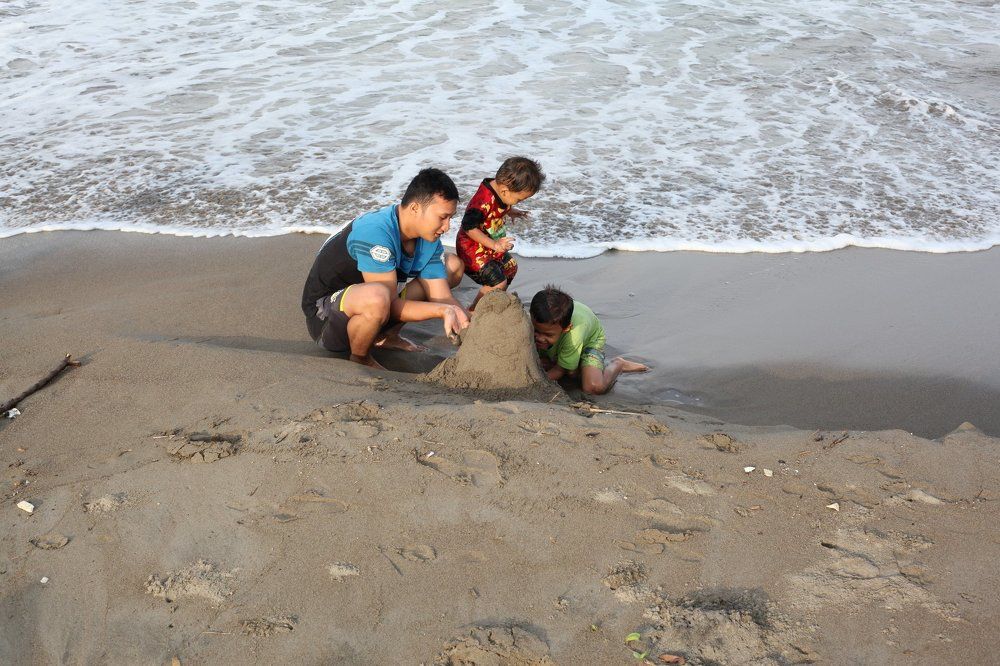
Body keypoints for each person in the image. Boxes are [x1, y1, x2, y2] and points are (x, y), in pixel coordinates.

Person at [301, 168, 470, 368]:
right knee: (378, 297)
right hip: (326, 319)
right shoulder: (376, 231)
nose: (447, 226)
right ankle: (360, 357)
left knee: (451, 266)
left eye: (451, 218)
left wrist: (468, 323)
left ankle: (386, 335)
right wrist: (442, 311)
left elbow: (441, 296)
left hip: (375, 301)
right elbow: (389, 302)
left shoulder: (428, 237)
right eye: (443, 217)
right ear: (415, 208)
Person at [456, 157, 545, 310]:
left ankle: (493, 297)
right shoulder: (482, 201)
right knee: (498, 281)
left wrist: (511, 211)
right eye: (518, 200)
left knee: (510, 267)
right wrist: (495, 244)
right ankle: (475, 310)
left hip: (487, 245)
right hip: (471, 248)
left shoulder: (502, 191)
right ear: (505, 190)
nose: (517, 202)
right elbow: (468, 226)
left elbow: (501, 204)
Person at [530, 286, 648, 394]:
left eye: (547, 335)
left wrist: (535, 383)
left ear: (566, 328)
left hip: (590, 341)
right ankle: (563, 358)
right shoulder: (539, 319)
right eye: (536, 330)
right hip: (564, 331)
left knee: (591, 386)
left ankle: (618, 364)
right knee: (541, 362)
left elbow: (560, 371)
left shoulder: (573, 336)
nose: (539, 337)